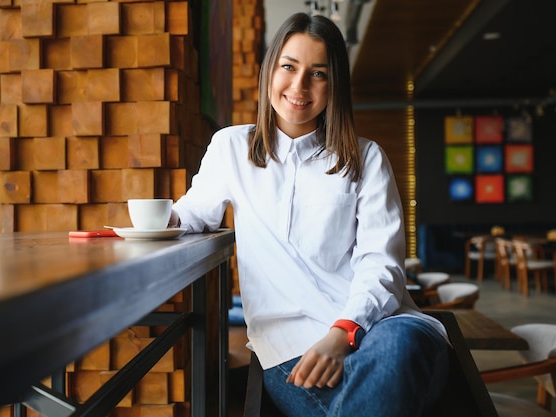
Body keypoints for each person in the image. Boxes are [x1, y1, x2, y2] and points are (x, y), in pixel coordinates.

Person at [170, 12, 449, 417]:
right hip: (289, 347)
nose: (299, 86)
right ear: (270, 71)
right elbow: (194, 213)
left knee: (395, 351)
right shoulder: (231, 148)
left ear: (334, 85)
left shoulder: (365, 157)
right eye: (289, 67)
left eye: (318, 73)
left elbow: (381, 265)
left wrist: (343, 332)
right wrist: (155, 222)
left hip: (380, 328)